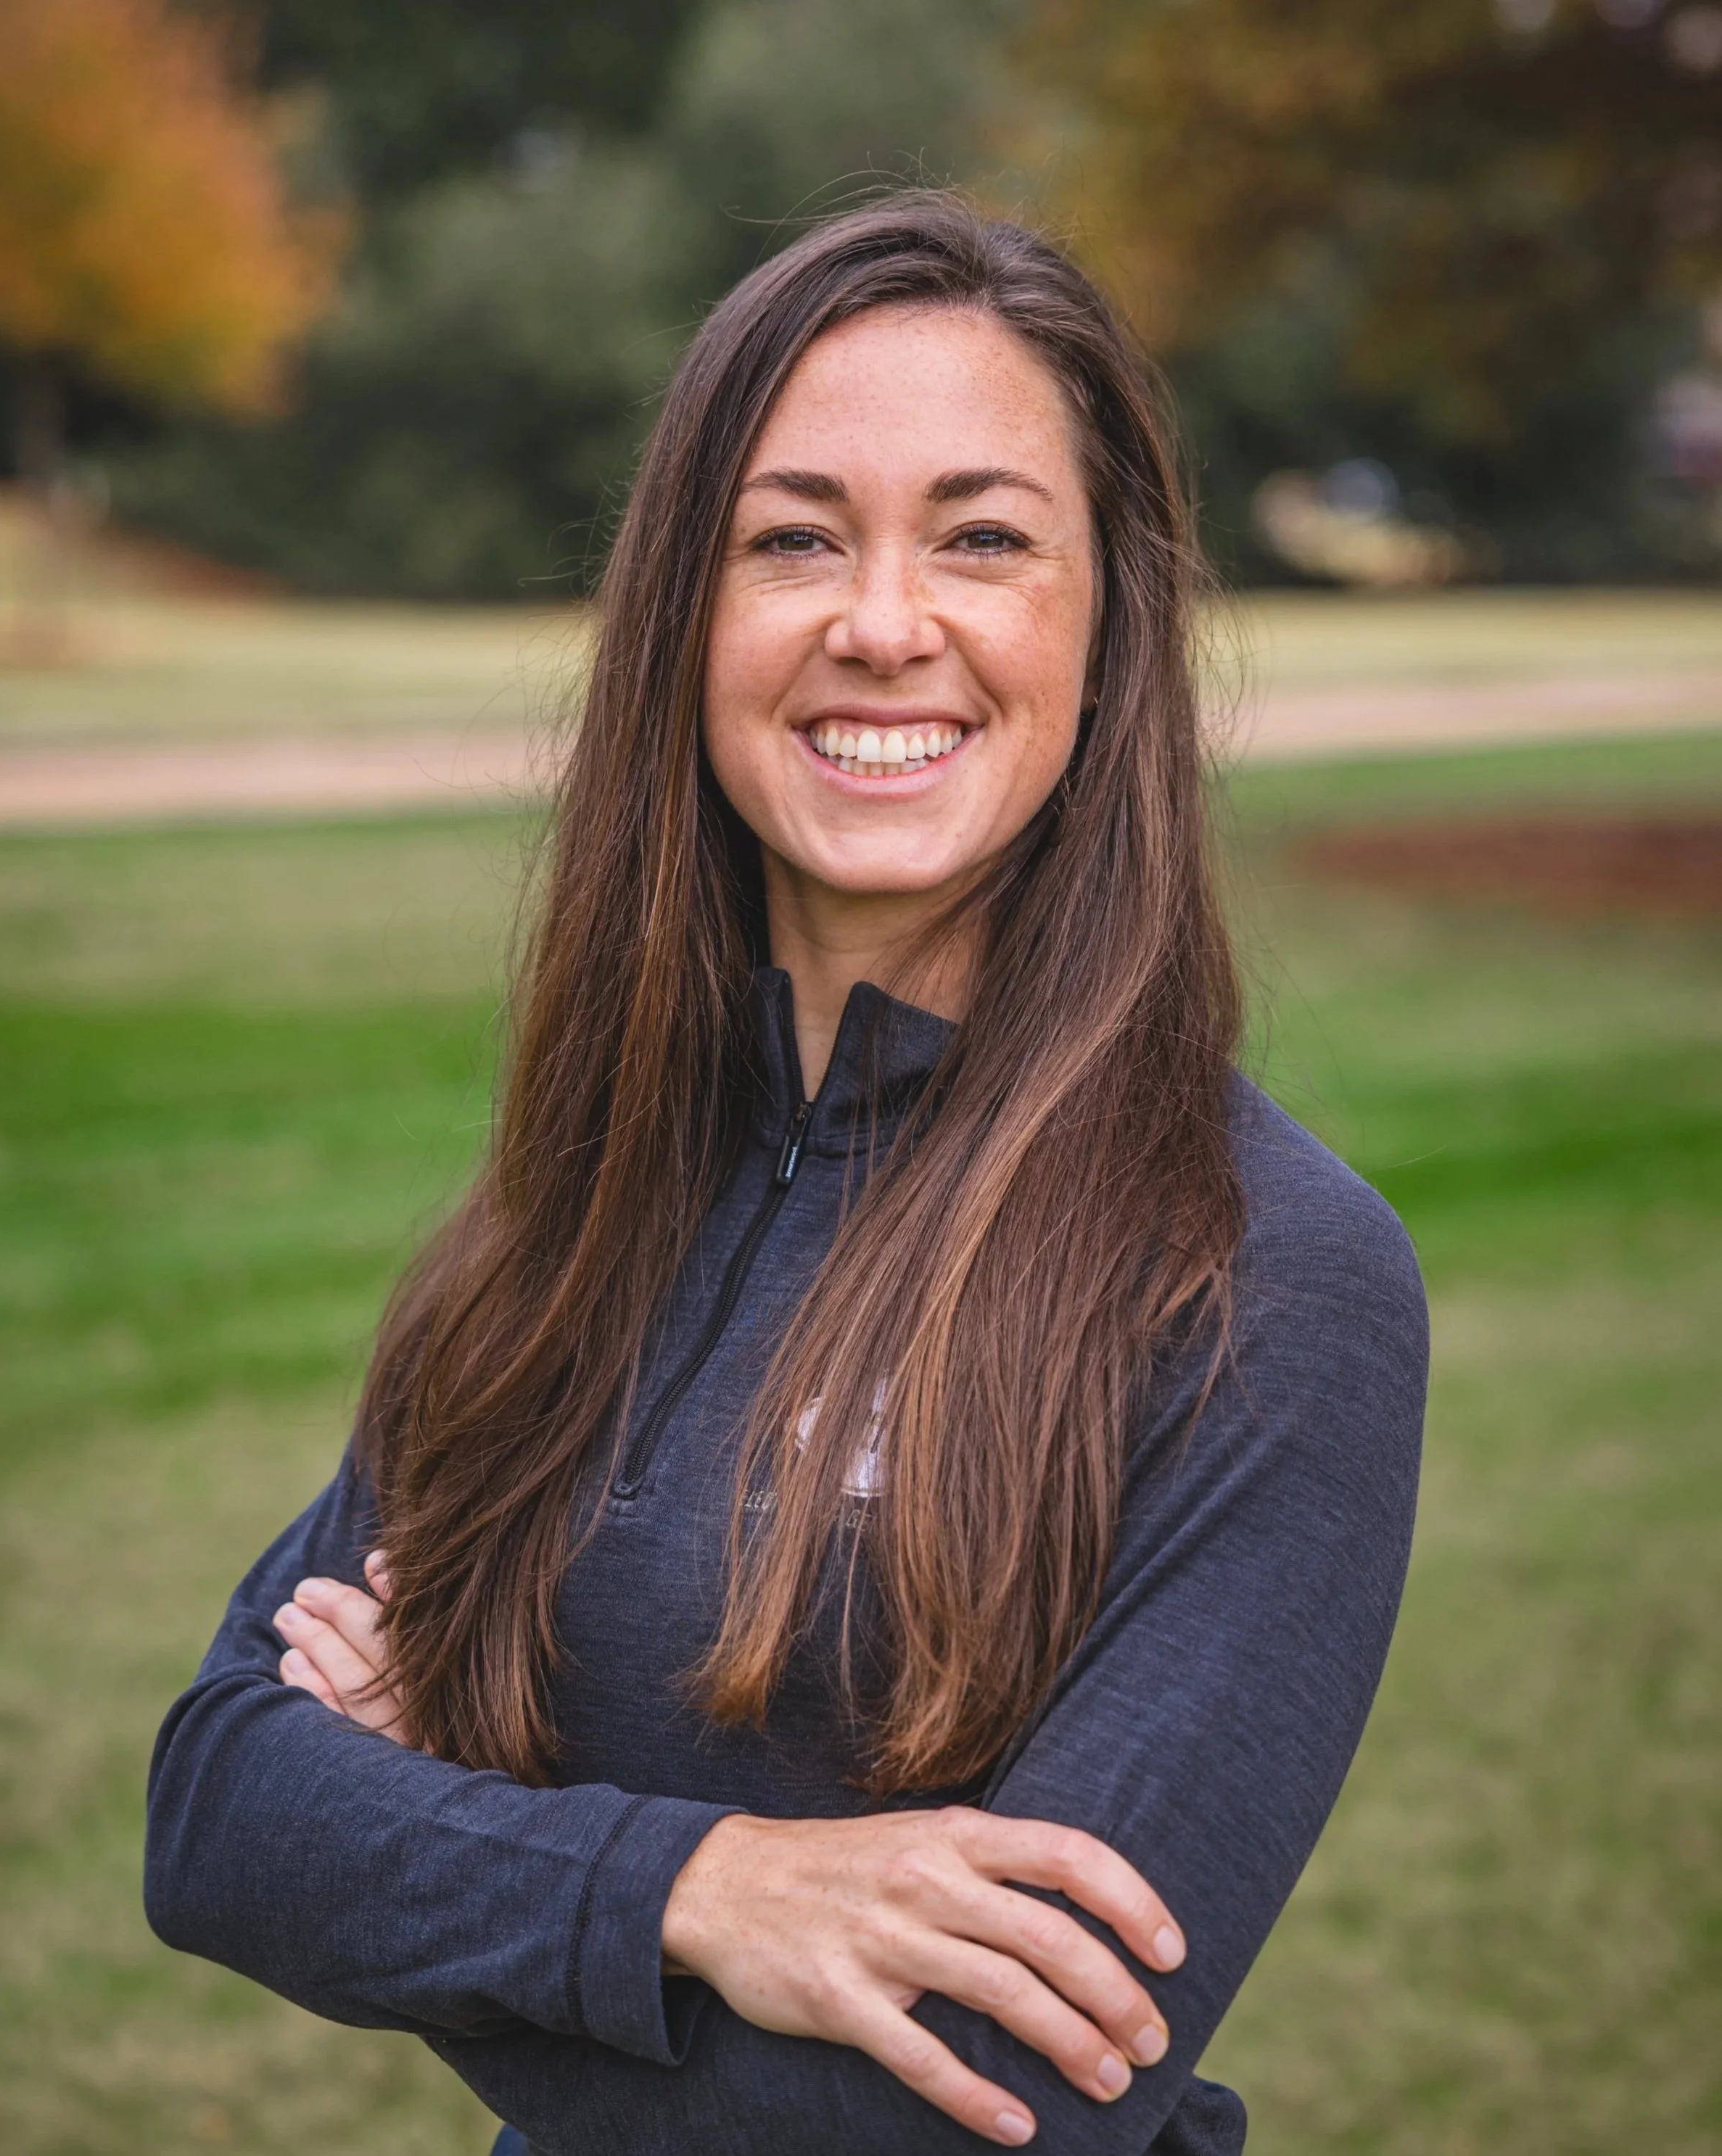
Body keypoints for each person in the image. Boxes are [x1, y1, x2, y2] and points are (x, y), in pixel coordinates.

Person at [144, 194, 1427, 2155]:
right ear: (688, 616)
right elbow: (222, 1807)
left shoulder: (1269, 1279)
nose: (884, 620)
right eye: (794, 536)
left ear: (1112, 617)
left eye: (984, 537)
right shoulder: (558, 1225)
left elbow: (971, 2100)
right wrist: (698, 1892)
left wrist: (433, 1875)